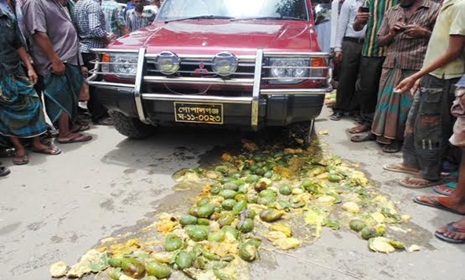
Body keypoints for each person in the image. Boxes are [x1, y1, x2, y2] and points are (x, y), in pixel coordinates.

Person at [384, 0, 465, 188]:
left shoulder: (460, 6)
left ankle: (430, 174)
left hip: (445, 77)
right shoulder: (447, 5)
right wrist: (422, 76)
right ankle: (411, 163)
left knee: (432, 127)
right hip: (432, 74)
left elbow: (453, 51)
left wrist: (416, 75)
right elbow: (437, 47)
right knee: (414, 122)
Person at [371, 0, 440, 153]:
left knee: (407, 107)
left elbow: (444, 41)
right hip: (391, 64)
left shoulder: (435, 10)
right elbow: (380, 41)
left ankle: (401, 140)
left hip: (416, 66)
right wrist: (392, 34)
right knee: (384, 103)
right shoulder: (392, 11)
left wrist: (424, 33)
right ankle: (381, 135)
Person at [23, 0, 93, 144]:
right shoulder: (35, 3)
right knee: (60, 97)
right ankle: (64, 133)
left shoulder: (57, 3)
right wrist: (55, 60)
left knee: (69, 95)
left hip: (69, 59)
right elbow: (38, 33)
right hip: (56, 61)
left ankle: (69, 127)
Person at [1, 0, 62, 165]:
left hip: (15, 69)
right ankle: (19, 148)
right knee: (5, 112)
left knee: (33, 103)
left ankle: (36, 143)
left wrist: (29, 68)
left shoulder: (7, 17)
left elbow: (18, 44)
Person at [349, 0, 398, 142]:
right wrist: (359, 21)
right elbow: (357, 27)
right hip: (371, 50)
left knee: (388, 92)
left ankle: (383, 127)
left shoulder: (403, 2)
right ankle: (367, 122)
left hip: (393, 52)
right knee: (367, 89)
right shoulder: (370, 1)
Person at [73, 0, 114, 125]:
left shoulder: (78, 5)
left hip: (83, 47)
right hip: (94, 49)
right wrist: (108, 40)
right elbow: (95, 29)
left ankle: (93, 111)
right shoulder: (93, 5)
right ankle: (99, 115)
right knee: (97, 82)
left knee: (91, 82)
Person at [330, 0, 366, 121]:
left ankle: (354, 109)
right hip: (350, 42)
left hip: (367, 44)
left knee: (362, 78)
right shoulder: (349, 3)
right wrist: (338, 48)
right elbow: (341, 25)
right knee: (346, 77)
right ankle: (340, 109)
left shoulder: (373, 3)